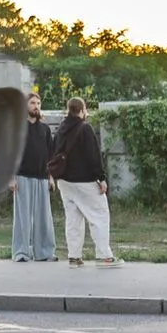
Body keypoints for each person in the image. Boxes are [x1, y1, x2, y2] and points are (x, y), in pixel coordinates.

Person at [52, 97, 118, 267]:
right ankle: (104, 256)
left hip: (64, 182)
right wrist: (101, 177)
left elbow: (52, 152)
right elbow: (93, 156)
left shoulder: (61, 129)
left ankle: (74, 257)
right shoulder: (85, 128)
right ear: (82, 109)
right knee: (99, 215)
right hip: (84, 181)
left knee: (73, 219)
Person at [9, 93, 56, 262]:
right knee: (23, 219)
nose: (36, 106)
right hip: (22, 177)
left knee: (44, 218)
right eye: (33, 103)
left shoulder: (45, 129)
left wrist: (51, 177)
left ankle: (44, 253)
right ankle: (21, 253)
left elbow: (50, 155)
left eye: (38, 103)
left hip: (42, 178)